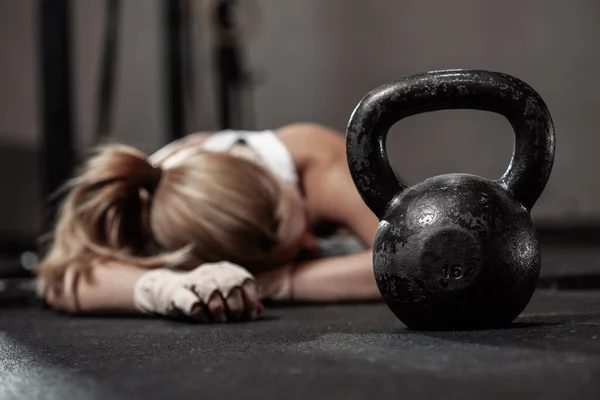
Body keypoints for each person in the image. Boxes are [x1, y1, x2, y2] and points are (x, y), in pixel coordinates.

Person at [36, 123, 382, 323]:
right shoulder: (147, 206)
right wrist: (167, 287)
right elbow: (63, 277)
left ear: (262, 169)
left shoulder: (313, 157)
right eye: (299, 246)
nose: (312, 244)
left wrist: (277, 282)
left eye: (303, 219)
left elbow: (416, 258)